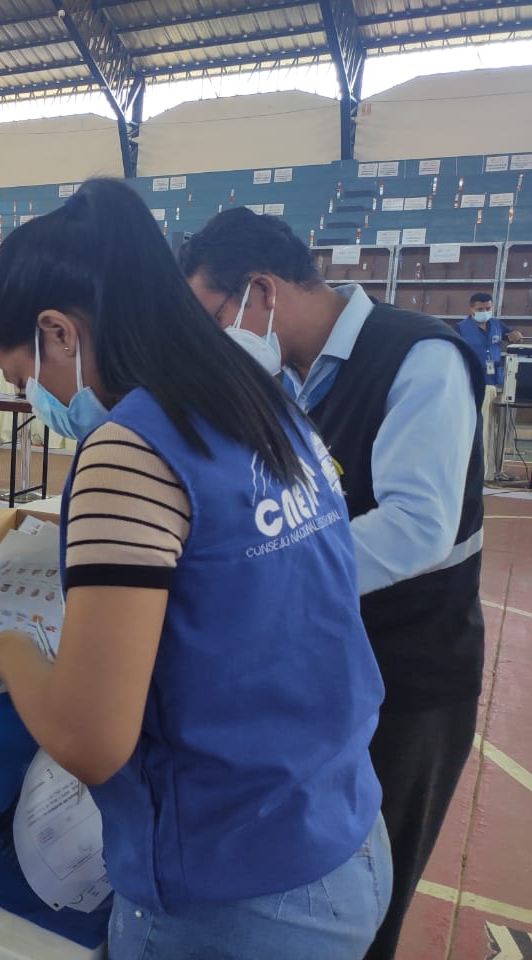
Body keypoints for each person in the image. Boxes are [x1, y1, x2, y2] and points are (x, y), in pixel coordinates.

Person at [0, 179, 390, 959]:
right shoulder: (261, 402)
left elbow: (92, 741)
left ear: (59, 331)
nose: (32, 399)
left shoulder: (126, 450)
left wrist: (14, 656)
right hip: (342, 835)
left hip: (232, 893)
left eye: (23, 376)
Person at [181, 208, 484, 960]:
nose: (212, 342)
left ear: (261, 291)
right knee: (314, 879)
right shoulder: (283, 378)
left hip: (414, 675)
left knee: (373, 891)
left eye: (212, 318)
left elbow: (418, 523)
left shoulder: (418, 358)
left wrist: (266, 576)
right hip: (326, 673)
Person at [457, 292, 523, 482]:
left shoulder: (497, 325)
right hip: (476, 385)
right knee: (482, 431)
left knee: (497, 431)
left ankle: (495, 470)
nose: (485, 312)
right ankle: (481, 472)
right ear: (471, 309)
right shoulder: (461, 329)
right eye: (480, 309)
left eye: (488, 308)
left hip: (498, 383)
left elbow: (512, 336)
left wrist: (515, 336)